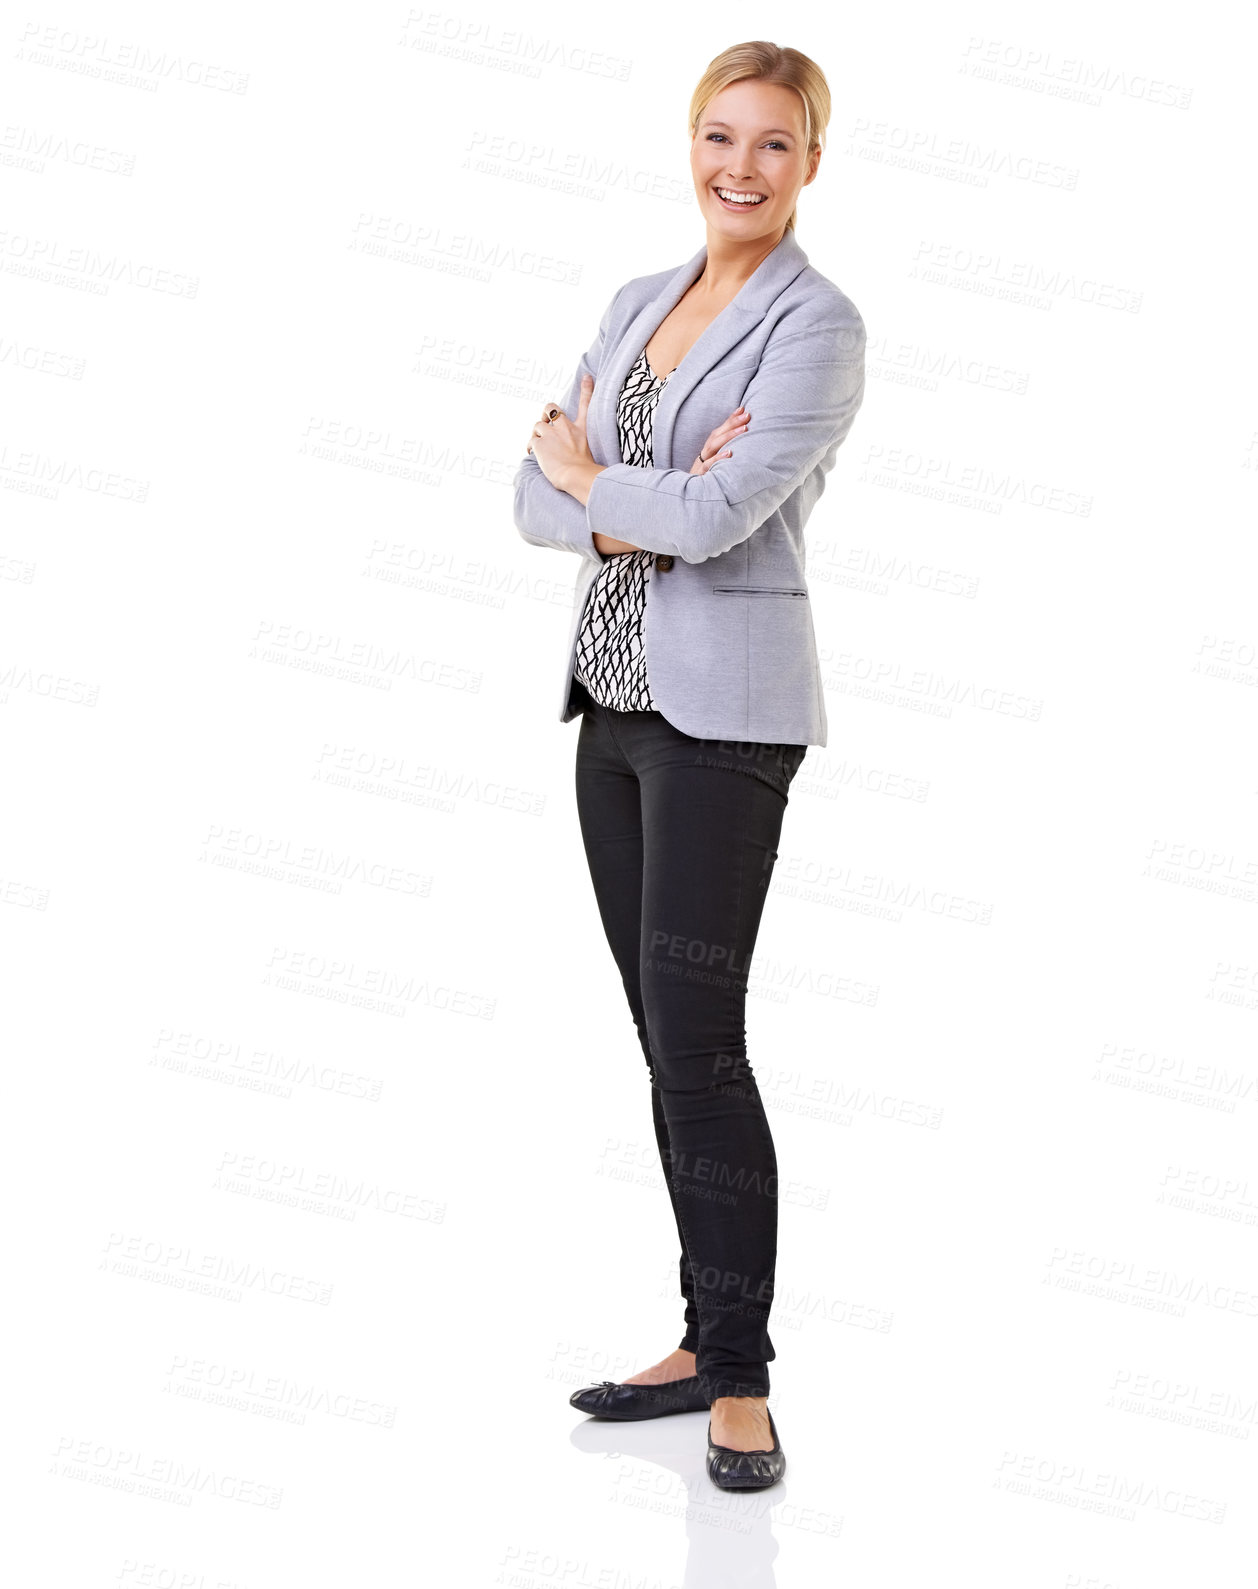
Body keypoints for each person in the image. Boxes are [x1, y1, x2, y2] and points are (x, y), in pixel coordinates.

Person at [514, 40, 866, 1492]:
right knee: (665, 1043)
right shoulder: (634, 302)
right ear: (689, 141)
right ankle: (694, 1331)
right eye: (719, 136)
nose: (740, 166)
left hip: (724, 719)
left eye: (772, 144)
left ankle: (740, 1378)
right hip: (610, 701)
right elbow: (527, 494)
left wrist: (599, 474)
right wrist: (613, 496)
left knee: (701, 1046)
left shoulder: (816, 325)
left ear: (810, 160)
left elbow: (719, 517)